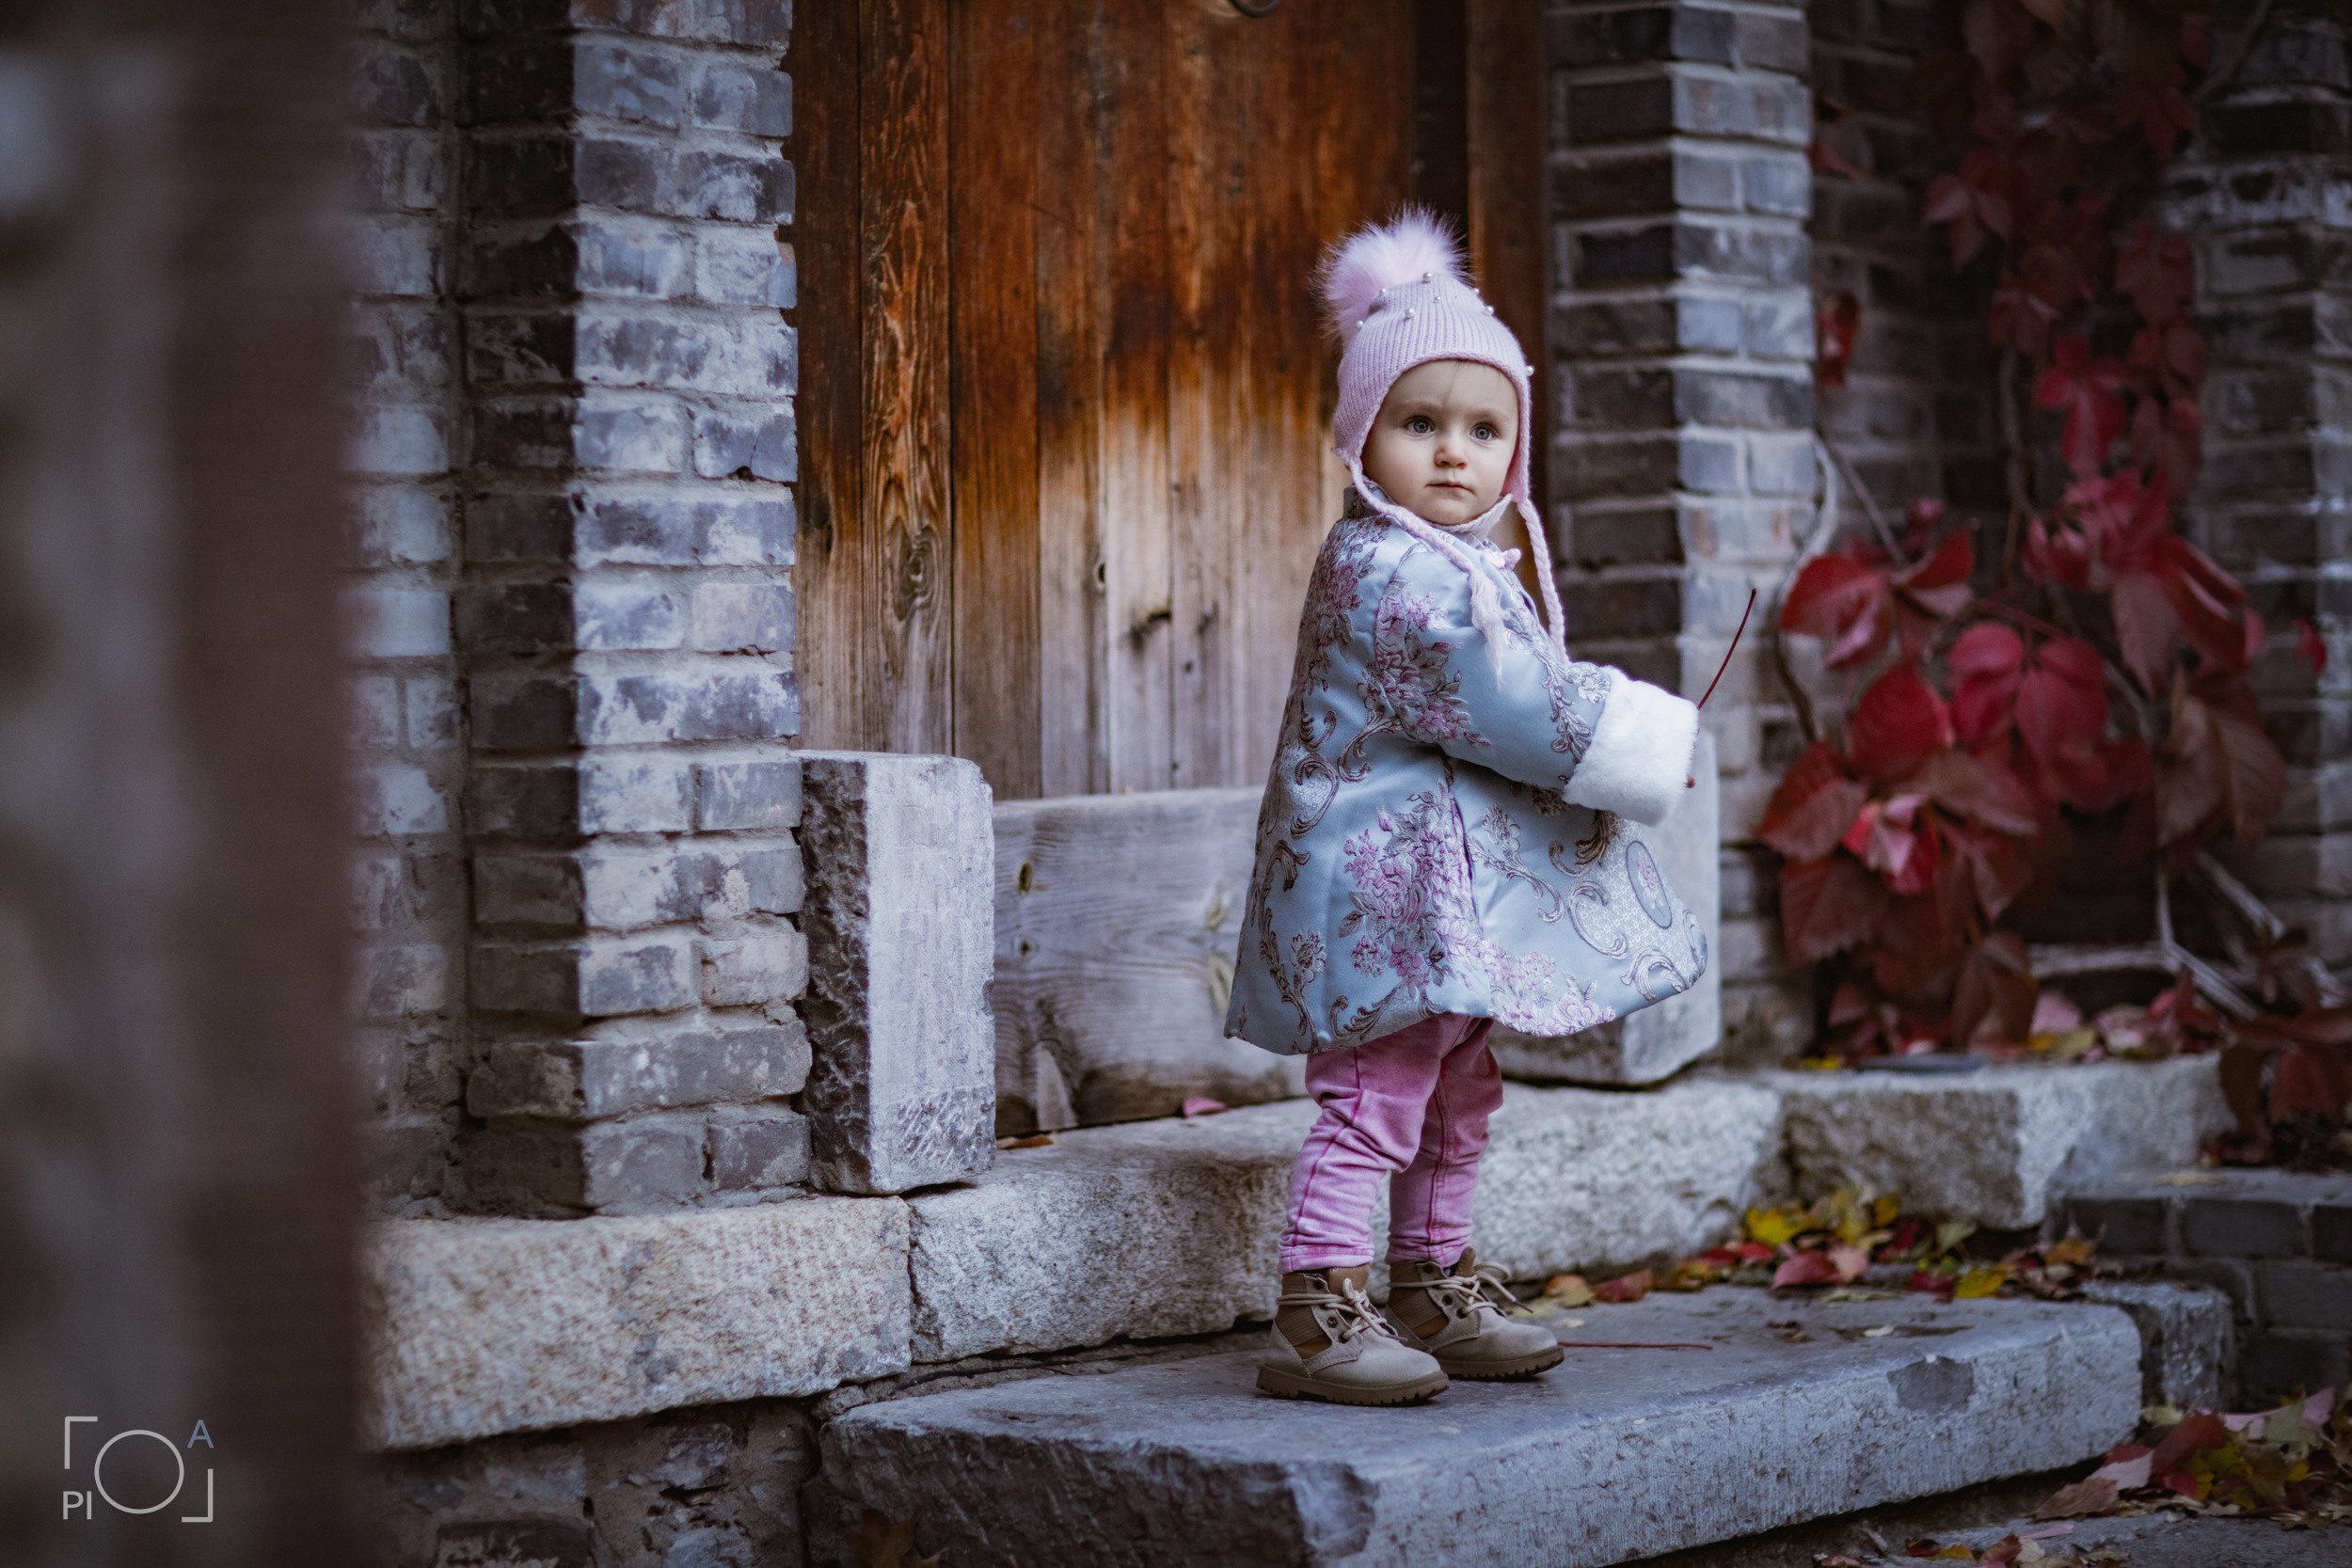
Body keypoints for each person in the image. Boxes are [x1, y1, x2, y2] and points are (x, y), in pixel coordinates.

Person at [1227, 211, 1708, 1406]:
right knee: (1378, 1084)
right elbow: (1499, 701)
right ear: (1361, 438)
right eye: (1418, 423)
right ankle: (1315, 1302)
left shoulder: (1467, 568)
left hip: (1444, 899)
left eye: (1483, 428)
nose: (1452, 453)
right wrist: (1635, 736)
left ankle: (1431, 1274)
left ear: (1516, 449)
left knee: (1457, 1077)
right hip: (1380, 892)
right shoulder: (1387, 574)